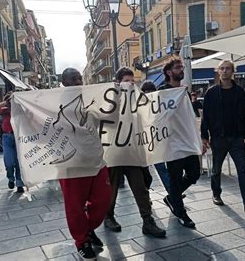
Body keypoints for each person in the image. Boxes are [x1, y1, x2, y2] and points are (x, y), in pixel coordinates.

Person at [104, 67, 166, 238]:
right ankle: (108, 216)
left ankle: (148, 221)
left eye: (133, 81)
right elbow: (107, 120)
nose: (131, 83)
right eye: (127, 80)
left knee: (140, 188)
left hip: (133, 151)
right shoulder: (110, 98)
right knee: (112, 189)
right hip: (114, 152)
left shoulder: (138, 100)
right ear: (118, 82)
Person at [58, 67, 112, 260]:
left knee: (103, 200)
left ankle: (87, 229)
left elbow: (109, 116)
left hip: (96, 161)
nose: (78, 82)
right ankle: (82, 241)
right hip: (71, 166)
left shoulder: (91, 100)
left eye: (80, 78)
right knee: (75, 207)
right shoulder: (54, 103)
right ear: (64, 82)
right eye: (73, 79)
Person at [201, 60, 245, 217]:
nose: (224, 71)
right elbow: (206, 116)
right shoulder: (211, 92)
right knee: (216, 169)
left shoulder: (240, 92)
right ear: (218, 71)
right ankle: (216, 193)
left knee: (243, 171)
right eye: (222, 68)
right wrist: (204, 136)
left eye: (227, 68)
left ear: (232, 71)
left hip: (236, 138)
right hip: (218, 137)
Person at [158, 57, 201, 228]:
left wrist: (198, 139)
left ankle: (172, 198)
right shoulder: (162, 91)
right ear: (169, 72)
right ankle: (181, 212)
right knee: (175, 179)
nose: (181, 70)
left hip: (188, 142)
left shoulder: (184, 91)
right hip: (172, 144)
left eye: (181, 67)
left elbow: (188, 118)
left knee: (194, 174)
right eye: (177, 67)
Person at [0, 92, 24, 193]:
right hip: (7, 137)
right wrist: (7, 101)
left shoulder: (19, 110)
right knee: (9, 162)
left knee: (18, 161)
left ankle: (19, 184)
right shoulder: (4, 110)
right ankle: (10, 178)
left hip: (18, 136)